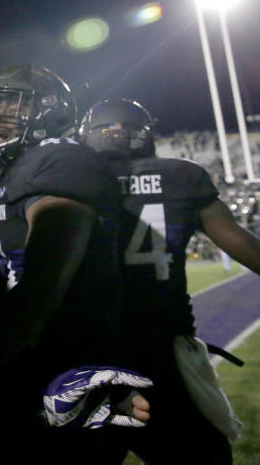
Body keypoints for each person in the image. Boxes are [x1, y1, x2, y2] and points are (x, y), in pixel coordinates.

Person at [0, 64, 147, 462]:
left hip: (68, 373)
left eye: (8, 106)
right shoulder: (9, 176)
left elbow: (44, 283)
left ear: (48, 110)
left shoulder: (60, 157)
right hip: (30, 366)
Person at [79, 98, 260, 464]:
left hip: (87, 352)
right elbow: (238, 239)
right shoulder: (182, 175)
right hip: (161, 353)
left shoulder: (70, 181)